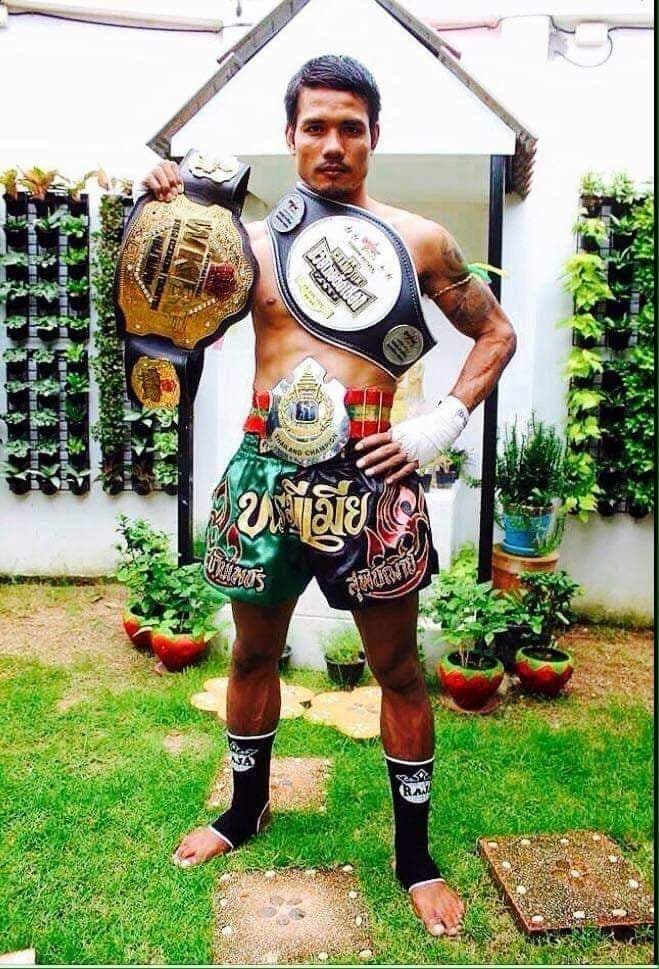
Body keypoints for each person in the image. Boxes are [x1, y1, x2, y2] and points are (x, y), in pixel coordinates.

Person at [136, 55, 516, 940]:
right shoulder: (247, 244)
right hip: (266, 477)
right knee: (249, 658)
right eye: (316, 126)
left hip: (373, 480)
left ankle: (414, 857)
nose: (333, 144)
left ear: (373, 137)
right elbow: (157, 309)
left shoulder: (418, 240)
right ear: (289, 138)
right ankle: (243, 812)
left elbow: (493, 330)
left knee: (397, 671)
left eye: (351, 127)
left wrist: (439, 424)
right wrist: (159, 204)